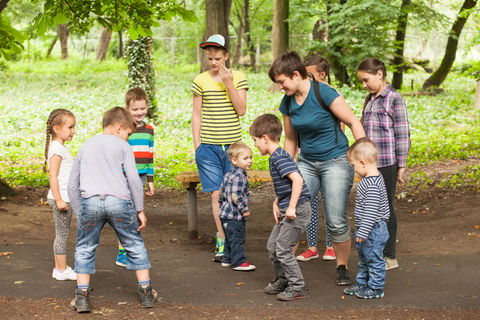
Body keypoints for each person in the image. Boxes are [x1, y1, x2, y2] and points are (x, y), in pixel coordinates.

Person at [269, 51, 365, 286]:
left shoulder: (324, 92)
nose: (280, 86)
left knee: (335, 219)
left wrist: (364, 161)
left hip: (336, 161)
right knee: (292, 212)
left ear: (295, 74)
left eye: (282, 81)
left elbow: (353, 122)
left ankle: (341, 266)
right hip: (306, 163)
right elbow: (291, 140)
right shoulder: (288, 102)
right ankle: (285, 270)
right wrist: (285, 177)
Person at [68, 107, 156, 313]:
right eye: (128, 134)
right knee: (134, 243)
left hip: (90, 201)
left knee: (84, 247)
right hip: (119, 202)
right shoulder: (123, 146)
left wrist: (80, 211)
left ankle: (82, 297)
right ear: (119, 128)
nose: (128, 138)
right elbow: (134, 179)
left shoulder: (86, 145)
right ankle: (146, 293)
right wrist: (139, 209)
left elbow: (72, 185)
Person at [191, 34, 249, 262]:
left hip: (232, 148)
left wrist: (228, 83)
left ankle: (233, 238)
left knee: (232, 194)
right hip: (208, 147)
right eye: (210, 58)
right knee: (217, 194)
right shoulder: (200, 80)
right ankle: (223, 240)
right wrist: (197, 146)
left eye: (217, 58)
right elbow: (196, 114)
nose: (214, 62)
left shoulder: (239, 77)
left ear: (226, 56)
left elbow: (241, 109)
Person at [250, 114, 311, 301]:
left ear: (265, 138)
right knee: (272, 246)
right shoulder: (276, 156)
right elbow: (286, 184)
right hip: (287, 208)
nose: (255, 145)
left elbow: (298, 180)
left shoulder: (279, 156)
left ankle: (297, 286)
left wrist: (291, 207)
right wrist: (278, 202)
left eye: (255, 140)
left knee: (283, 248)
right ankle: (283, 279)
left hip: (297, 210)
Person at [357, 58, 411, 271]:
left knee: (386, 207)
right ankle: (374, 252)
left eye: (366, 80)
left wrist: (402, 163)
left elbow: (402, 133)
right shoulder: (369, 99)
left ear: (380, 74)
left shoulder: (394, 99)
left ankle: (389, 255)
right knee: (371, 207)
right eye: (362, 81)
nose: (364, 85)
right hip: (369, 164)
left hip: (387, 162)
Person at [295, 55, 342, 262]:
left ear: (322, 75)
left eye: (311, 74)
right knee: (309, 203)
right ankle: (312, 247)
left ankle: (331, 247)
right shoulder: (302, 95)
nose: (307, 78)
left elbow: (340, 125)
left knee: (330, 204)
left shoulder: (331, 94)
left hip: (331, 157)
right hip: (307, 157)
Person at [344, 137, 390, 299]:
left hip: (373, 230)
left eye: (354, 165)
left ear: (363, 163)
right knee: (364, 259)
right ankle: (362, 283)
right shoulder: (373, 179)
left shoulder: (371, 184)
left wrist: (362, 232)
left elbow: (371, 211)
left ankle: (376, 287)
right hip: (367, 230)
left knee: (374, 260)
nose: (355, 170)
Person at [115, 87, 155, 268]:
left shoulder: (149, 131)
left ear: (147, 106)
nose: (139, 113)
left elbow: (150, 157)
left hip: (139, 178)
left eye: (142, 108)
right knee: (124, 213)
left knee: (136, 212)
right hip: (123, 177)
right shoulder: (124, 130)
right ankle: (123, 252)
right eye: (135, 109)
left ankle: (131, 249)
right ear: (127, 109)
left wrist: (150, 181)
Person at [44, 109, 77, 281]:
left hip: (63, 196)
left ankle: (59, 268)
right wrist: (58, 199)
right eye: (70, 127)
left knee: (61, 233)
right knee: (62, 235)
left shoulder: (59, 147)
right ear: (57, 129)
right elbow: (53, 175)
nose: (73, 131)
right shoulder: (57, 149)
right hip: (62, 198)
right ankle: (62, 270)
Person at [218, 141, 255, 271]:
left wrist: (222, 206)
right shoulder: (240, 176)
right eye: (245, 158)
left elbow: (221, 193)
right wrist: (244, 209)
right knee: (238, 238)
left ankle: (227, 259)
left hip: (225, 215)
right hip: (235, 216)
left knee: (229, 239)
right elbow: (236, 195)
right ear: (234, 160)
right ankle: (238, 262)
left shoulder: (228, 174)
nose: (249, 161)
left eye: (250, 157)